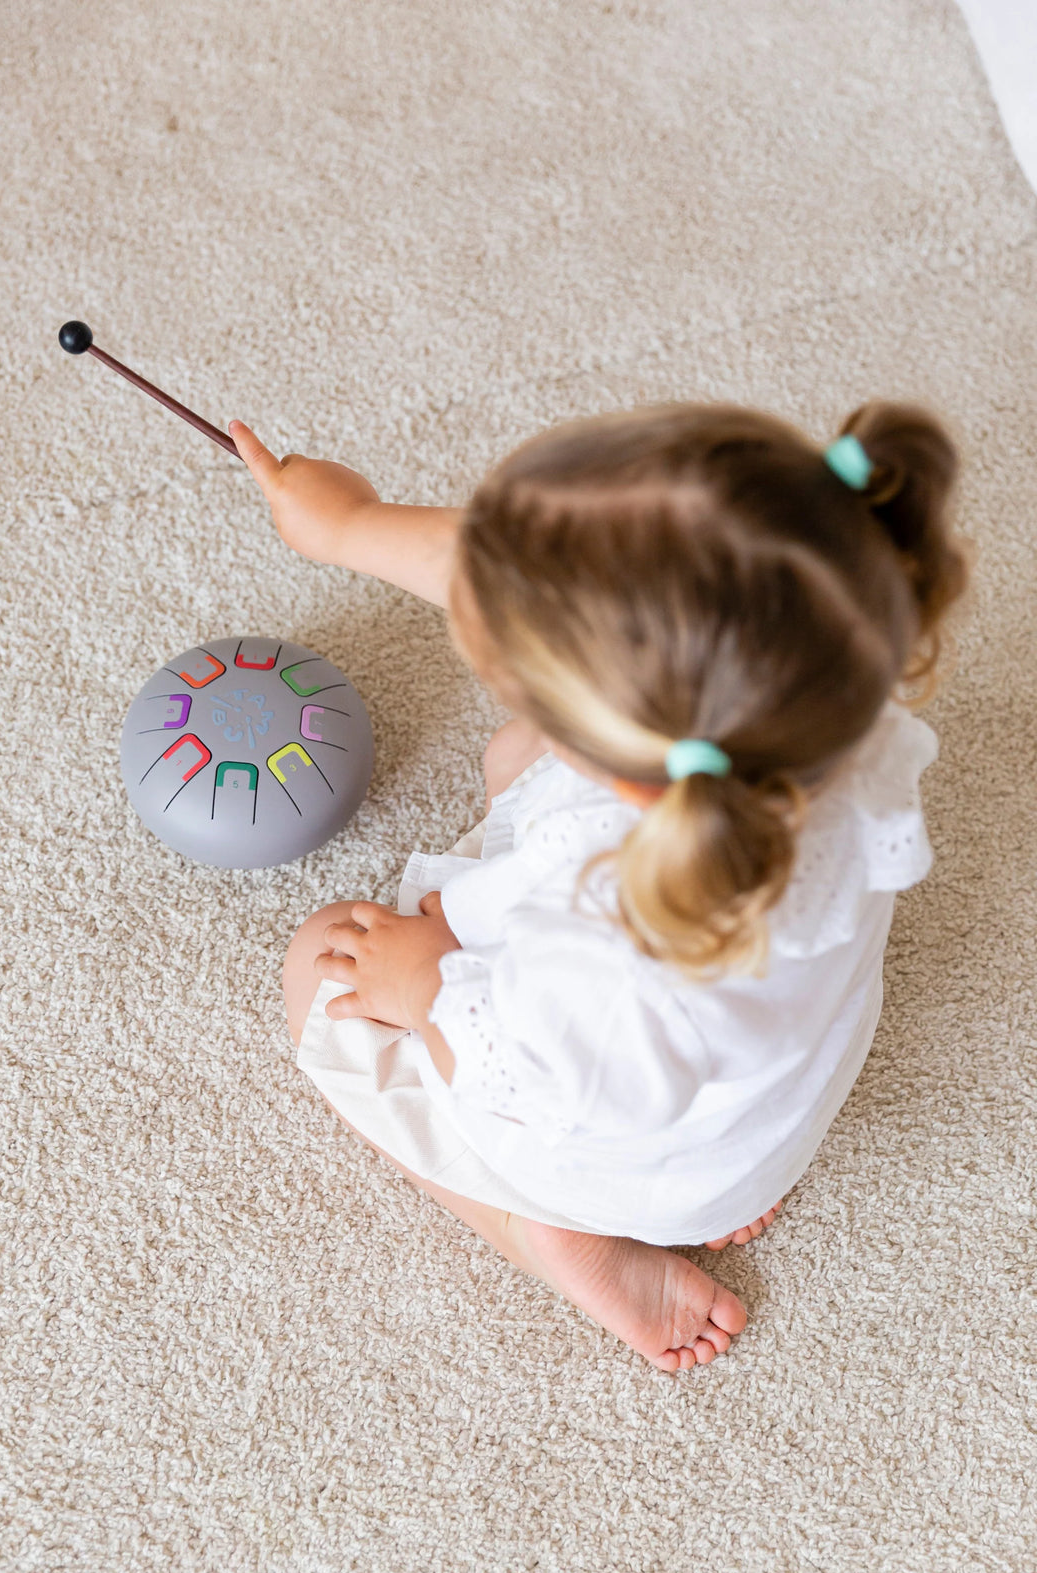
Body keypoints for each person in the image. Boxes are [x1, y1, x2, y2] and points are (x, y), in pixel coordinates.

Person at [229, 399, 969, 1373]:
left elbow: (533, 1085)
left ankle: (552, 1234)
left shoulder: (613, 945)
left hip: (625, 1147)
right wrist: (353, 526)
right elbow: (560, 598)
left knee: (318, 972)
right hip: (755, 1114)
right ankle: (694, 1187)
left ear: (620, 772)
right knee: (512, 754)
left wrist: (429, 984)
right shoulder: (824, 699)